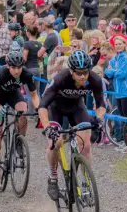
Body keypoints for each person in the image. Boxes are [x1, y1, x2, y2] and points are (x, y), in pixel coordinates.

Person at [39, 51, 106, 200]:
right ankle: (53, 177)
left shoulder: (94, 79)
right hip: (55, 108)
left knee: (86, 146)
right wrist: (47, 127)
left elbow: (101, 104)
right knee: (55, 142)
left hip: (76, 108)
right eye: (79, 73)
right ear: (71, 71)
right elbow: (42, 106)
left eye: (85, 72)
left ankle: (86, 183)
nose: (83, 76)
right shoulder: (60, 79)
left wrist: (99, 119)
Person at [0, 51, 40, 184]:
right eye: (14, 68)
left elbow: (34, 96)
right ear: (8, 66)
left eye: (19, 67)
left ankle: (19, 140)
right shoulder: (0, 74)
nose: (17, 71)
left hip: (14, 95)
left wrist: (39, 110)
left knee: (23, 112)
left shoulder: (27, 74)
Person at [105, 35, 127, 148]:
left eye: (120, 44)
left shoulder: (126, 58)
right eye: (116, 44)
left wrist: (112, 71)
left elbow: (121, 74)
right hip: (118, 92)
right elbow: (107, 72)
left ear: (124, 44)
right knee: (123, 118)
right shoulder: (115, 58)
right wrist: (113, 71)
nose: (118, 46)